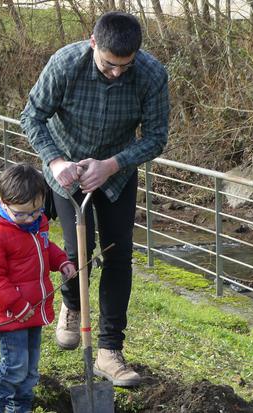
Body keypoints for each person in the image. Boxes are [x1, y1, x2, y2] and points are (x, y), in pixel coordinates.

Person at [20, 11, 169, 387]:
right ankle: (72, 306)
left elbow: (156, 137)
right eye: (109, 65)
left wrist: (113, 164)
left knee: (118, 255)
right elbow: (32, 116)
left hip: (116, 172)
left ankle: (109, 351)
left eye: (125, 66)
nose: (117, 72)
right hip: (67, 168)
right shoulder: (66, 63)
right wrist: (55, 161)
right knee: (76, 252)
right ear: (93, 44)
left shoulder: (151, 75)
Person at [0, 164, 77, 413]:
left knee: (30, 369)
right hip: (10, 313)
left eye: (37, 211)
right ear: (3, 203)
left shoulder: (36, 223)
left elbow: (44, 249)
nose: (30, 218)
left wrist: (61, 261)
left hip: (33, 310)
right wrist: (17, 305)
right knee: (14, 366)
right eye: (22, 214)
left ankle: (20, 408)